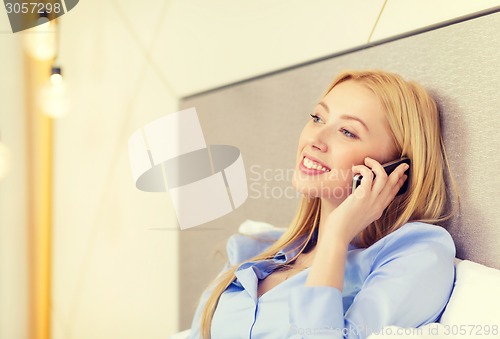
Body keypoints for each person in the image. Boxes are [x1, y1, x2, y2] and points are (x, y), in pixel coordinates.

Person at [188, 70, 457, 339]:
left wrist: (336, 237)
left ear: (397, 169)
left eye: (347, 132)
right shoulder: (254, 251)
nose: (314, 140)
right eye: (318, 118)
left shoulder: (418, 254)